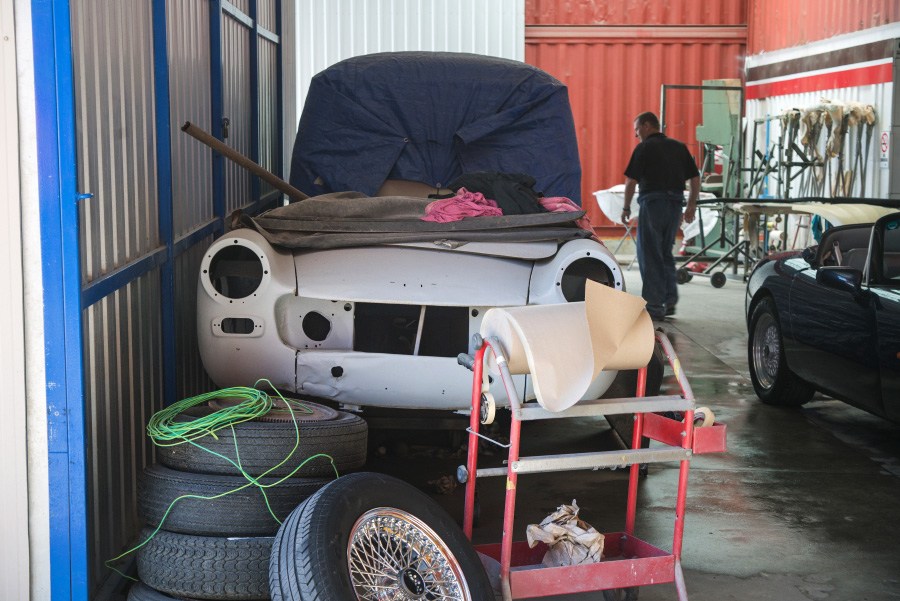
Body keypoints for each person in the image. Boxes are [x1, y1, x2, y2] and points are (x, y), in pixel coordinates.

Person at [621, 112, 699, 320]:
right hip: (674, 206)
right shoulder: (679, 147)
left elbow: (631, 182)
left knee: (650, 254)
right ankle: (669, 301)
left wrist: (626, 208)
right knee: (665, 253)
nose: (636, 135)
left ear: (647, 126)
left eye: (637, 129)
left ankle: (654, 306)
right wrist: (691, 205)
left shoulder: (644, 148)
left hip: (653, 204)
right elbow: (695, 178)